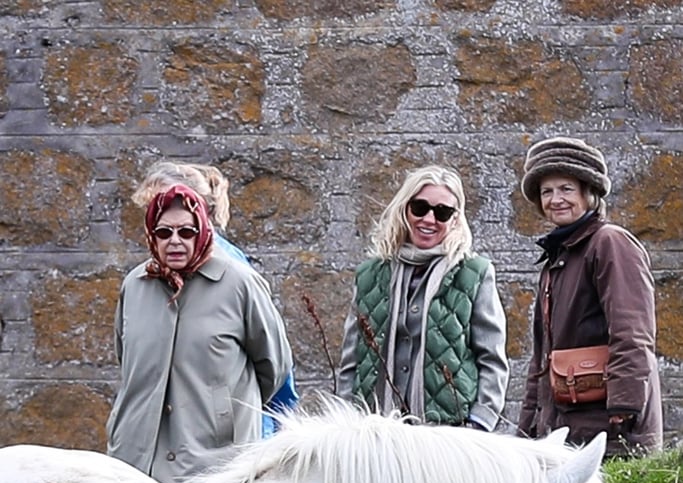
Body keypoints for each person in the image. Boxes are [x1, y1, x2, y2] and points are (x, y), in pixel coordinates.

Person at [106, 183, 293, 483]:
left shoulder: (240, 284)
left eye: (187, 232)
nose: (175, 241)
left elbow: (274, 366)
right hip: (138, 461)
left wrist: (223, 411)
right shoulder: (134, 286)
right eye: (164, 233)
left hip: (215, 461)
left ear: (203, 230)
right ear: (152, 235)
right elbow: (126, 358)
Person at [517, 136, 663, 455]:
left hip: (609, 433)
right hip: (567, 432)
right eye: (547, 191)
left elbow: (633, 334)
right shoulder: (557, 258)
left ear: (589, 192)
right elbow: (542, 361)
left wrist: (624, 412)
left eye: (566, 188)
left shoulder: (609, 243)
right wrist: (527, 429)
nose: (556, 199)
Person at [131, 159, 299, 436]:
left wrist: (233, 416)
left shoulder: (234, 273)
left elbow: (276, 368)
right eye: (156, 208)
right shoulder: (142, 282)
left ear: (202, 211)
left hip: (225, 441)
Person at [338, 164, 509, 431]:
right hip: (375, 431)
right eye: (420, 207)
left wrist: (479, 422)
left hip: (448, 433)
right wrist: (345, 417)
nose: (429, 219)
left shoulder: (474, 274)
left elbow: (492, 358)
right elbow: (352, 359)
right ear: (405, 209)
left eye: (442, 212)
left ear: (455, 219)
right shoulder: (370, 275)